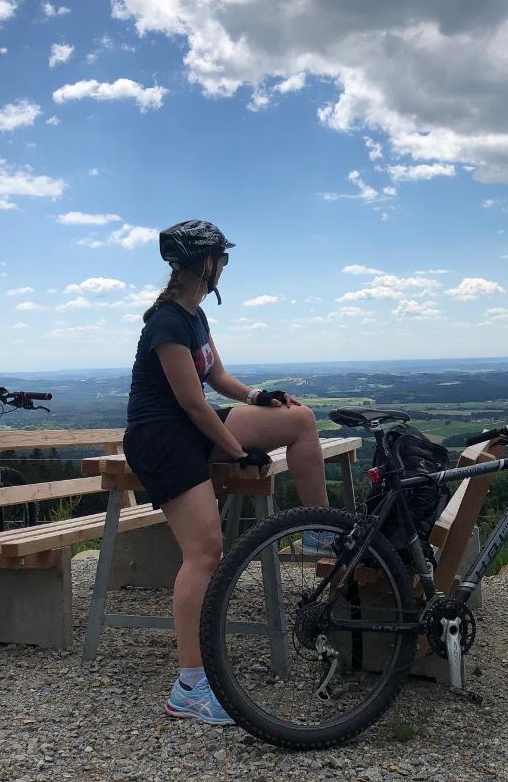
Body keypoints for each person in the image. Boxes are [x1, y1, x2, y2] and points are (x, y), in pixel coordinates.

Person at [123, 219, 331, 725]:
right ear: (205, 264)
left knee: (299, 419)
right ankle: (189, 685)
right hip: (162, 438)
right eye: (223, 259)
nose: (225, 268)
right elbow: (194, 406)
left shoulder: (194, 317)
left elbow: (215, 375)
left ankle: (320, 533)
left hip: (189, 427)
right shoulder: (167, 324)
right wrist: (237, 451)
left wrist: (257, 397)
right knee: (204, 552)